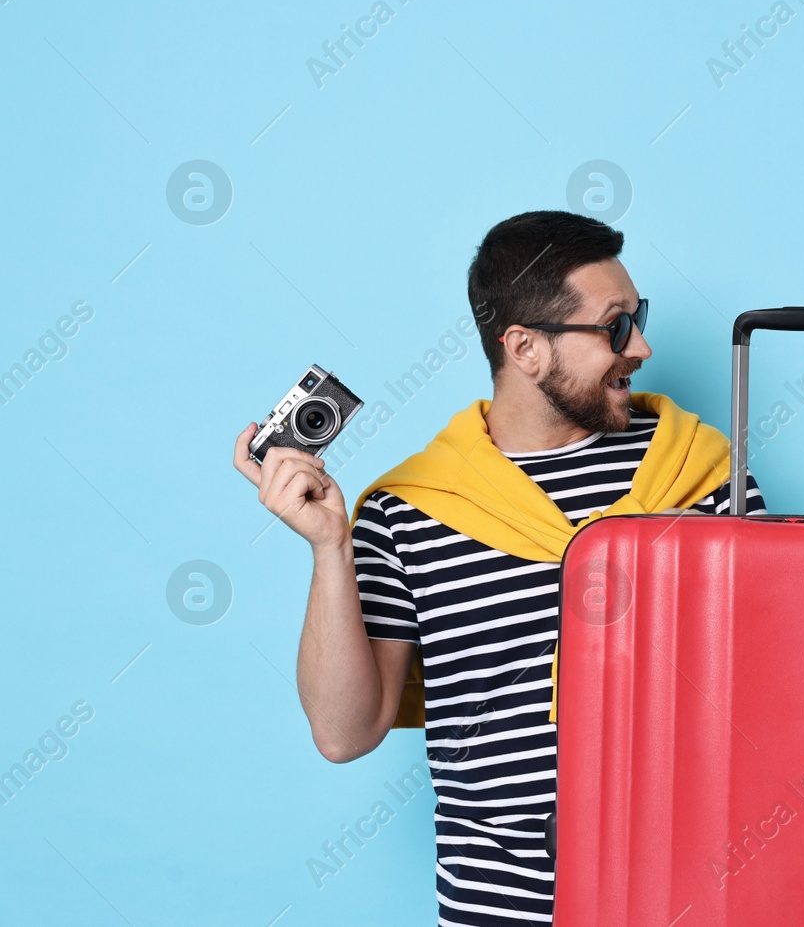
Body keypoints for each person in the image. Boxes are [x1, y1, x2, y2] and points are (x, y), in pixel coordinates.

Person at [232, 210, 762, 925]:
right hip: (498, 910)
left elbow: (773, 686)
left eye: (638, 319)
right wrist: (331, 546)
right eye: (614, 327)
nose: (641, 346)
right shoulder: (408, 509)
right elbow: (344, 732)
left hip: (695, 898)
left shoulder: (704, 475)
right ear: (526, 348)